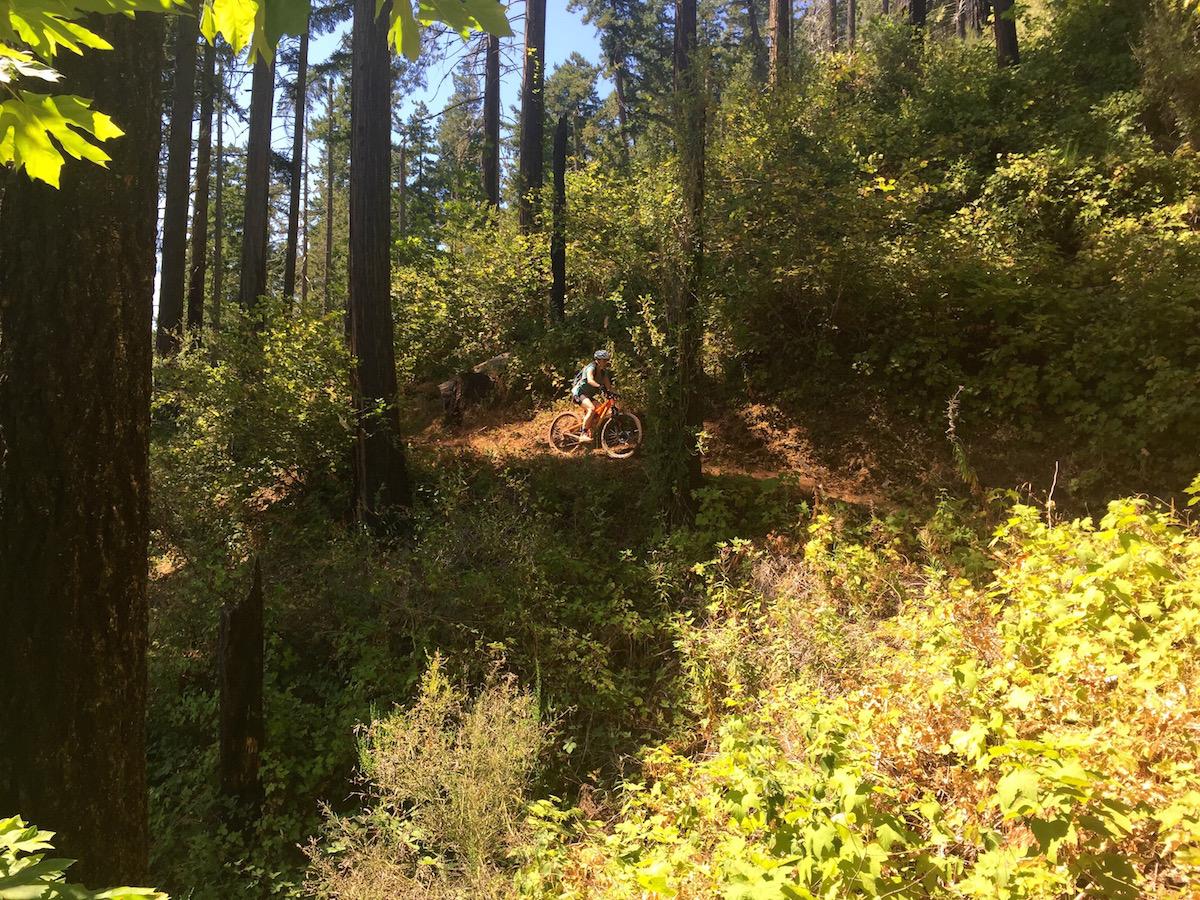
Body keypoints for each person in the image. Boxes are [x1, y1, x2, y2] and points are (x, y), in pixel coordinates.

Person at [572, 350, 614, 442]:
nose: (606, 362)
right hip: (579, 393)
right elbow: (590, 380)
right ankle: (583, 433)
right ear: (598, 360)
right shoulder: (591, 367)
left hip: (588, 395)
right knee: (591, 408)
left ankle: (590, 429)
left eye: (607, 360)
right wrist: (599, 386)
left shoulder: (603, 372)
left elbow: (608, 386)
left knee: (600, 410)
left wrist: (612, 393)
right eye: (604, 360)